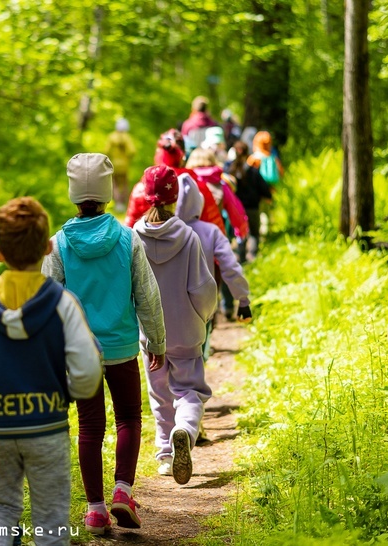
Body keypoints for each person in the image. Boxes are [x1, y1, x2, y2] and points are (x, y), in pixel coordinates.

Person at [0, 197, 103, 546]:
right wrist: (64, 392)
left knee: (0, 510)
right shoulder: (62, 304)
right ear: (46, 248)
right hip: (47, 429)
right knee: (51, 518)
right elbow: (87, 374)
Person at [42, 153, 166, 535]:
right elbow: (148, 295)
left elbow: (49, 301)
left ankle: (95, 509)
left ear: (73, 195)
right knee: (129, 417)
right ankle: (122, 491)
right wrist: (156, 340)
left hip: (79, 353)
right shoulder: (128, 239)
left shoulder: (58, 245)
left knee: (90, 427)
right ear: (108, 193)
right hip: (123, 348)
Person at [133, 165, 218, 486]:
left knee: (159, 395)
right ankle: (185, 429)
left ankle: (166, 455)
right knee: (190, 392)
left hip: (149, 334)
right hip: (186, 330)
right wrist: (204, 316)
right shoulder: (189, 237)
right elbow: (203, 288)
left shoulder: (133, 238)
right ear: (174, 198)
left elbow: (132, 289)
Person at [175, 172, 252, 354]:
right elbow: (230, 265)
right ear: (199, 203)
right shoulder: (211, 231)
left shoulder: (162, 232)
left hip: (170, 305)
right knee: (196, 355)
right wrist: (242, 299)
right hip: (203, 303)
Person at [124, 129, 225, 233]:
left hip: (145, 248)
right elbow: (215, 227)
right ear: (183, 156)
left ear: (158, 154)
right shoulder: (197, 186)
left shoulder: (141, 188)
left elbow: (128, 230)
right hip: (192, 247)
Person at [228, 141, 273, 263]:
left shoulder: (230, 171)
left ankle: (241, 257)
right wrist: (268, 196)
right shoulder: (253, 171)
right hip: (253, 206)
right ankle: (252, 257)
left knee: (239, 232)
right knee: (254, 232)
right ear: (248, 154)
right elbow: (263, 187)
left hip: (236, 208)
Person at [103, 118, 137, 213]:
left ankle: (117, 203)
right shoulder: (127, 137)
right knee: (124, 184)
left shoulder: (111, 136)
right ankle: (124, 204)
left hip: (113, 165)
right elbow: (132, 151)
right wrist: (127, 157)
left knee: (114, 185)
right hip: (124, 166)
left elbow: (106, 151)